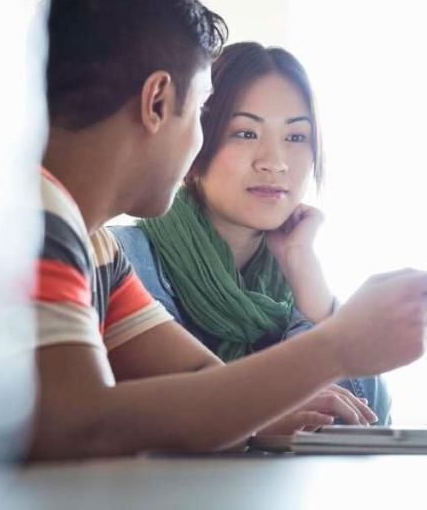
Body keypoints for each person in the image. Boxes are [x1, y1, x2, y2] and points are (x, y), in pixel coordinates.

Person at [31, 0, 427, 461]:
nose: (274, 162)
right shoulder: (29, 214)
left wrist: (267, 413)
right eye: (200, 112)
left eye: (297, 137)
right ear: (157, 102)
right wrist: (339, 345)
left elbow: (202, 381)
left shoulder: (95, 245)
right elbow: (77, 424)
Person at [110, 42, 389, 425]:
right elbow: (138, 418)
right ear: (194, 143)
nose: (274, 162)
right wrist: (263, 412)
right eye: (244, 133)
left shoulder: (298, 286)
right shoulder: (120, 258)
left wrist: (309, 282)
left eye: (295, 138)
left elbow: (370, 420)